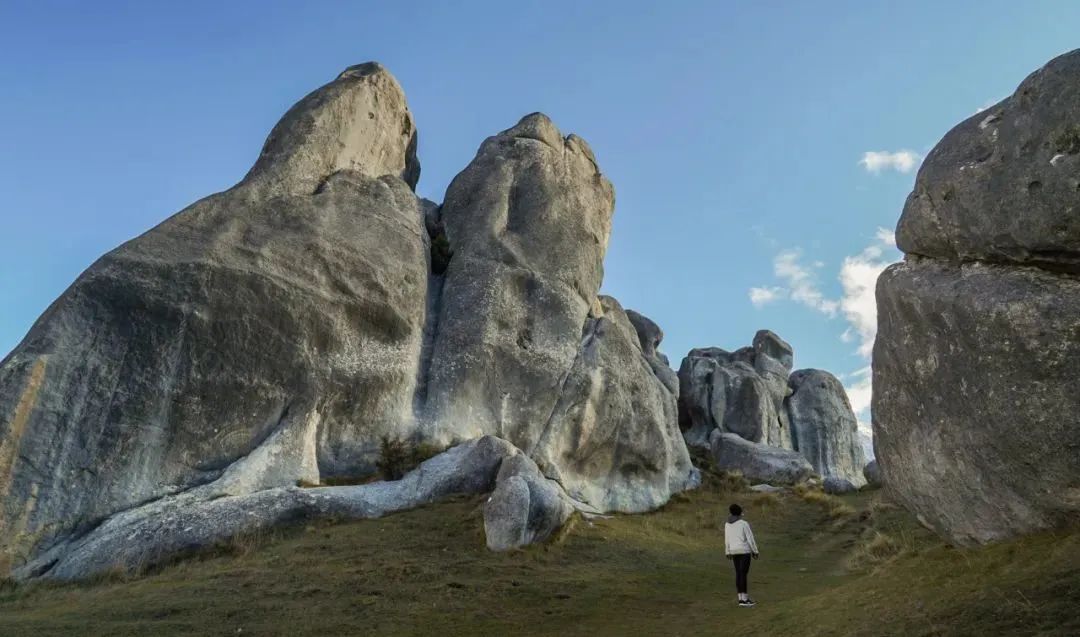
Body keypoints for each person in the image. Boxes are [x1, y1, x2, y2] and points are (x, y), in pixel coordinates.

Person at [724, 503, 759, 607]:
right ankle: (745, 599)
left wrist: (727, 551)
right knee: (743, 574)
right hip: (744, 551)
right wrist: (755, 551)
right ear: (740, 513)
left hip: (734, 551)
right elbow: (750, 538)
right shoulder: (744, 523)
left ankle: (740, 598)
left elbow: (727, 539)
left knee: (738, 574)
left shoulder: (727, 524)